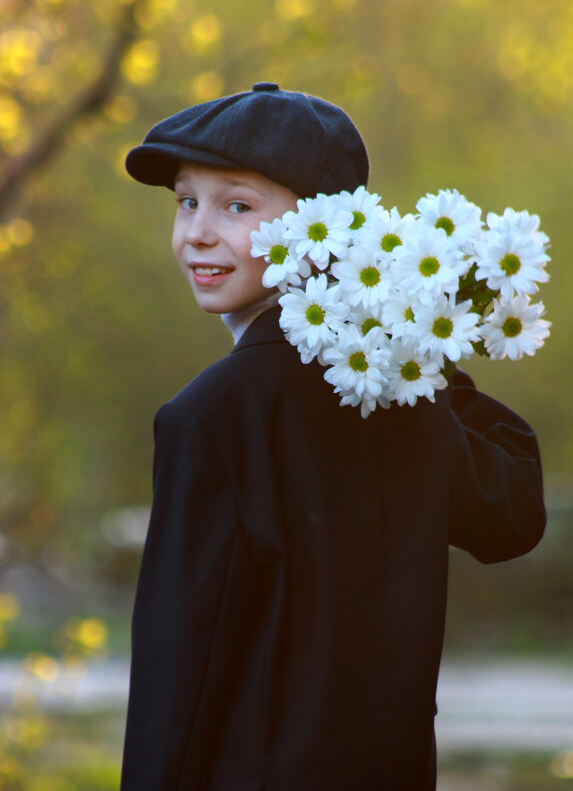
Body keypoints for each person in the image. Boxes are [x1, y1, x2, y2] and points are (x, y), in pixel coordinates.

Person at [120, 82, 546, 791]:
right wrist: (417, 355)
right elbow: (513, 510)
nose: (195, 230)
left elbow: (178, 680)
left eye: (236, 205)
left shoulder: (211, 414)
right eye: (185, 200)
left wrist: (412, 336)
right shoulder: (406, 399)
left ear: (325, 230)